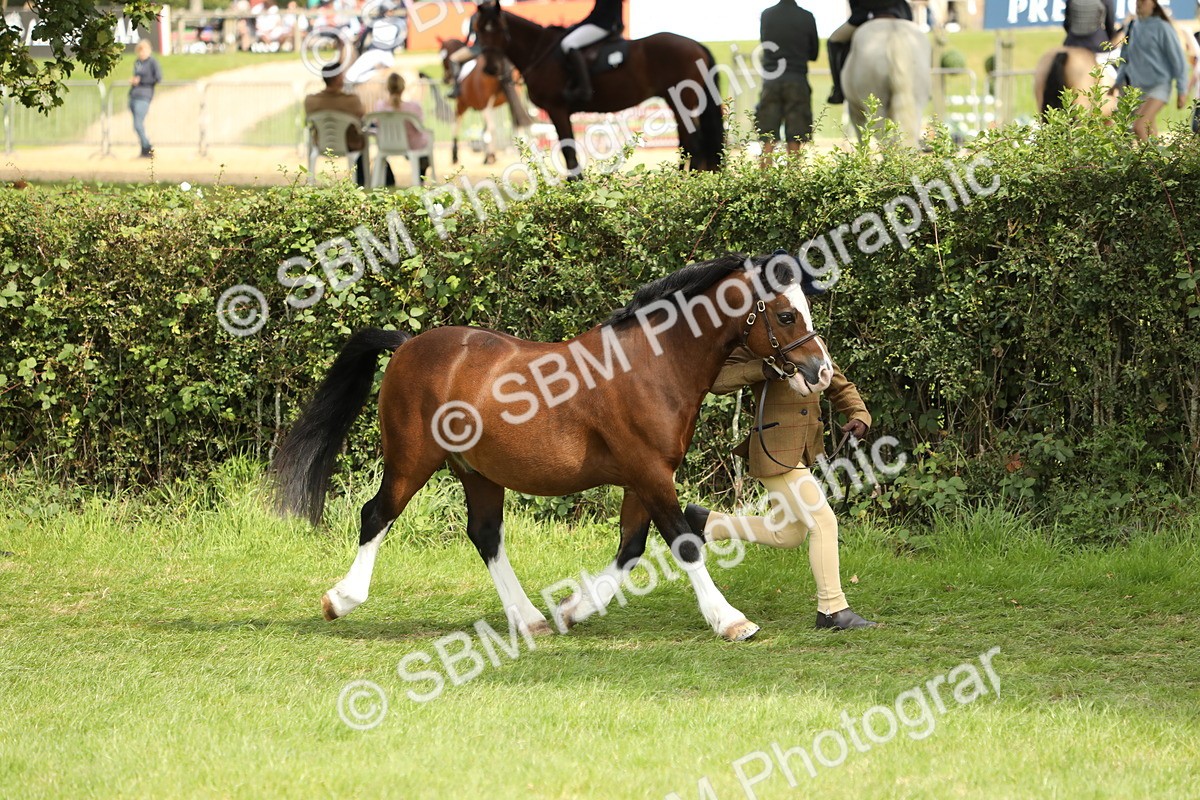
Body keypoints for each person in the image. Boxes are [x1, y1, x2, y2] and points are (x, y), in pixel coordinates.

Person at [685, 343, 878, 631]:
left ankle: (708, 524)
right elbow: (717, 380)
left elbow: (838, 382)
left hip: (803, 451)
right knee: (823, 522)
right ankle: (832, 610)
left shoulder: (812, 341)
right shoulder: (756, 345)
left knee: (787, 533)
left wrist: (859, 414)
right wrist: (760, 369)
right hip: (773, 449)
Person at [1113, 0, 1189, 141]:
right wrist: (1117, 82)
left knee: (1139, 126)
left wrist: (1182, 90)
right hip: (1138, 87)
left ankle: (1150, 163)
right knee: (1149, 131)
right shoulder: (1133, 26)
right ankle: (1155, 162)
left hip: (1158, 85)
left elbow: (1178, 60)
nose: (1138, 4)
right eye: (1137, 1)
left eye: (1143, 1)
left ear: (1154, 4)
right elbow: (1125, 57)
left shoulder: (1163, 27)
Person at [755, 0, 820, 158]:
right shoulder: (807, 16)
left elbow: (764, 43)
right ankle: (794, 179)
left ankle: (764, 179)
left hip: (771, 80)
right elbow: (814, 53)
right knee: (795, 136)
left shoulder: (767, 15)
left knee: (767, 136)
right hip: (797, 80)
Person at [827, 0, 913, 105]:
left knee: (834, 41)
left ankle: (838, 90)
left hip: (866, 13)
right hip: (900, 13)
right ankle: (922, 84)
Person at [305, 61, 370, 185]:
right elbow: (362, 115)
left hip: (320, 144)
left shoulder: (311, 101)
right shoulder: (351, 101)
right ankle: (361, 182)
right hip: (350, 144)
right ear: (337, 78)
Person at [559, 0, 625, 104]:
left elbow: (597, 14)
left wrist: (575, 27)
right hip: (607, 23)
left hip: (603, 25)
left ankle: (584, 89)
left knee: (567, 44)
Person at [372, 73, 430, 182]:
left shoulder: (379, 107)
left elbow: (376, 124)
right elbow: (420, 126)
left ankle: (387, 180)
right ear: (403, 88)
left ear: (387, 88)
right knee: (425, 141)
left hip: (386, 145)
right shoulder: (413, 107)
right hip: (412, 145)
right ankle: (420, 179)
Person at [344, 1, 407, 86]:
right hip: (389, 58)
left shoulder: (375, 23)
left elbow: (362, 39)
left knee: (350, 75)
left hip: (374, 53)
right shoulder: (398, 24)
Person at [129, 40, 161, 158]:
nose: (142, 53)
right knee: (137, 125)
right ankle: (144, 150)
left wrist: (141, 81)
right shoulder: (137, 62)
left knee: (138, 124)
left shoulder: (153, 62)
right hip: (134, 95)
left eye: (144, 50)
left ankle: (148, 147)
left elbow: (158, 78)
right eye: (140, 50)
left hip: (144, 96)